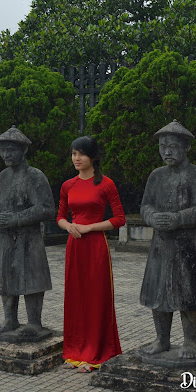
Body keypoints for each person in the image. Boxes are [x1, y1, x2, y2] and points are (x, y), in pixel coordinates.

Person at [139, 121, 196, 360]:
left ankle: (190, 341)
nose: (167, 151)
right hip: (160, 244)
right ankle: (162, 339)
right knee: (158, 292)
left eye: (172, 146)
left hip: (188, 245)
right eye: (163, 146)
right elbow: (145, 205)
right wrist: (152, 216)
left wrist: (179, 218)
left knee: (189, 292)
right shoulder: (156, 176)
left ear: (186, 148)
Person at [57, 136, 126, 373]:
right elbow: (60, 216)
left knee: (96, 298)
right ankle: (75, 350)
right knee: (76, 298)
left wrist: (89, 227)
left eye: (81, 154)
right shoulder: (68, 185)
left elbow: (119, 219)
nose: (76, 158)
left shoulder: (106, 184)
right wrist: (69, 226)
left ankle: (96, 354)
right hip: (74, 246)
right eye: (74, 154)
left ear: (93, 157)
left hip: (96, 246)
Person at [0, 126, 54, 339]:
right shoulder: (2, 177)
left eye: (11, 150)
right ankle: (9, 318)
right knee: (5, 277)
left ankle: (34, 322)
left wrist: (16, 218)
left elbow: (46, 208)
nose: (6, 154)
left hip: (28, 238)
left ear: (23, 150)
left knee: (32, 278)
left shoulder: (35, 176)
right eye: (3, 150)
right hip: (6, 238)